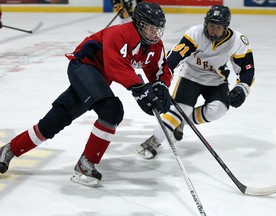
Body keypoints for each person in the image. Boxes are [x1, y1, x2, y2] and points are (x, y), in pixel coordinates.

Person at [0, 2, 172, 187]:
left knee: (56, 120)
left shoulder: (155, 47)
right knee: (111, 110)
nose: (155, 33)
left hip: (99, 77)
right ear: (138, 23)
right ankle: (85, 164)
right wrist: (139, 89)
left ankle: (9, 149)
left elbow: (160, 69)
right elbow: (116, 66)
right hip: (84, 67)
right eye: (150, 28)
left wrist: (161, 85)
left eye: (157, 29)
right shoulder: (120, 33)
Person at [135, 4, 255, 159]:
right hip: (190, 76)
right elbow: (176, 57)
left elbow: (247, 70)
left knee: (219, 109)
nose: (214, 30)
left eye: (218, 27)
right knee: (181, 108)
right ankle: (154, 140)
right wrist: (161, 79)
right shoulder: (195, 33)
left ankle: (181, 121)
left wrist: (242, 88)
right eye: (211, 26)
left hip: (216, 80)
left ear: (226, 28)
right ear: (206, 23)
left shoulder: (238, 41)